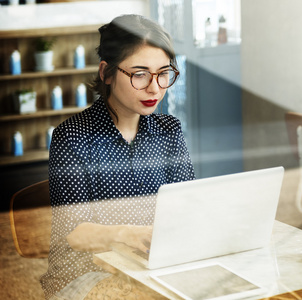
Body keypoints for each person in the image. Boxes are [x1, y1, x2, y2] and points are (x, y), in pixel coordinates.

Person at [40, 14, 195, 299]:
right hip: (85, 273)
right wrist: (129, 234)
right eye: (139, 74)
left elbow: (186, 207)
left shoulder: (169, 129)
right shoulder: (72, 136)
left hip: (152, 266)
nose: (155, 87)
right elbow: (74, 233)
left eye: (163, 73)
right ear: (107, 73)